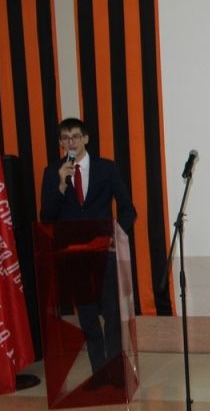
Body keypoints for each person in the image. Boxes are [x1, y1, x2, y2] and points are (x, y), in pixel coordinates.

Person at [39, 118, 137, 375]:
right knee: (88, 318)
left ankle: (115, 371)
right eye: (65, 138)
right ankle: (99, 372)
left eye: (75, 136)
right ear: (61, 143)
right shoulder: (53, 172)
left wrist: (115, 235)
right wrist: (61, 185)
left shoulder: (107, 168)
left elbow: (128, 210)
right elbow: (46, 217)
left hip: (105, 253)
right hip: (75, 258)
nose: (70, 142)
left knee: (112, 315)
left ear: (85, 138)